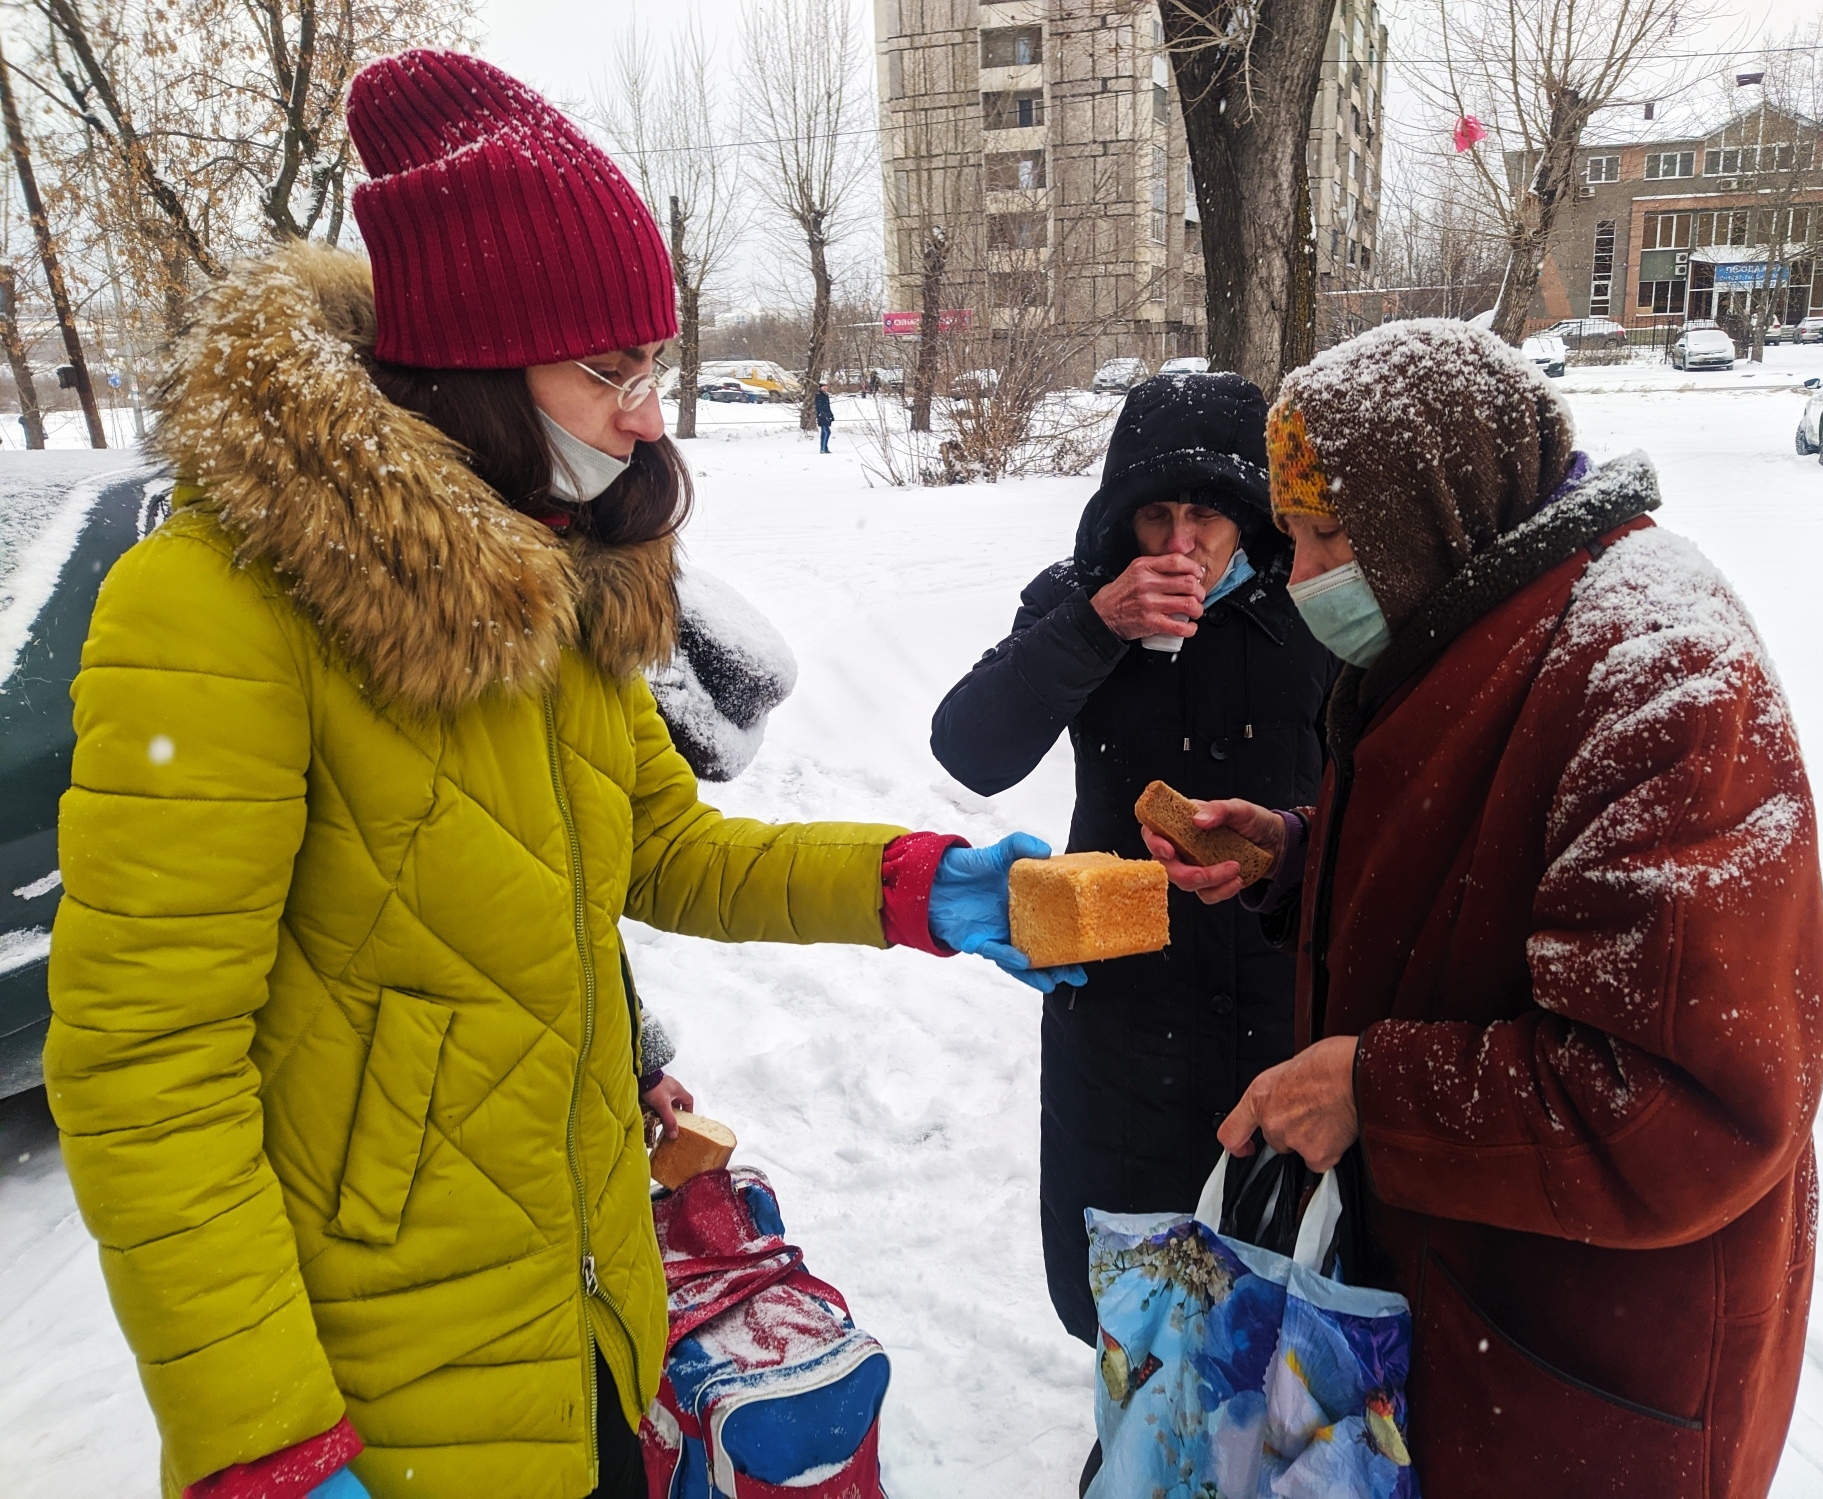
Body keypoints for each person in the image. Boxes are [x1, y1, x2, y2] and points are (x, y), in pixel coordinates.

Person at [44, 51, 1081, 1499]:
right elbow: (144, 1063)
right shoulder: (216, 609)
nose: (645, 410)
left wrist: (919, 887)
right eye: (610, 370)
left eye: (648, 365)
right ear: (471, 361)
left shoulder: (553, 584)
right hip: (382, 1386)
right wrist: (261, 1435)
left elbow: (667, 850)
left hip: (591, 1323)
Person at [1147, 321, 1823, 1499]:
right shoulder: (1475, 604)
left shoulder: (1661, 668)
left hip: (1581, 1366)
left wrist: (1374, 1088)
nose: (1296, 574)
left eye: (1326, 536)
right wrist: (1298, 860)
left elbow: (1680, 1097)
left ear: (1431, 505)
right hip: (1468, 1323)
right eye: (1289, 536)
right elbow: (1484, 871)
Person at [932, 372, 1335, 1350]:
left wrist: (1287, 838)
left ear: (1255, 512)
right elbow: (970, 748)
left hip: (1281, 1000)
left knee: (1282, 1305)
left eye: (1207, 514)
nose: (1180, 543)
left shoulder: (1315, 607)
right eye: (1155, 514)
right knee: (1128, 1297)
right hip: (1120, 1010)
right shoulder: (1080, 600)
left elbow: (1385, 784)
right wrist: (1093, 626)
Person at [815, 381, 834, 452]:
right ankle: (823, 448)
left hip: (827, 416)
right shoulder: (819, 395)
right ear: (820, 387)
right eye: (823, 386)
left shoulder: (826, 395)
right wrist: (822, 414)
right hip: (822, 416)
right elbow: (818, 406)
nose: (825, 387)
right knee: (826, 432)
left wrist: (831, 415)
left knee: (824, 432)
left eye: (826, 386)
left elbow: (828, 407)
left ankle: (824, 448)